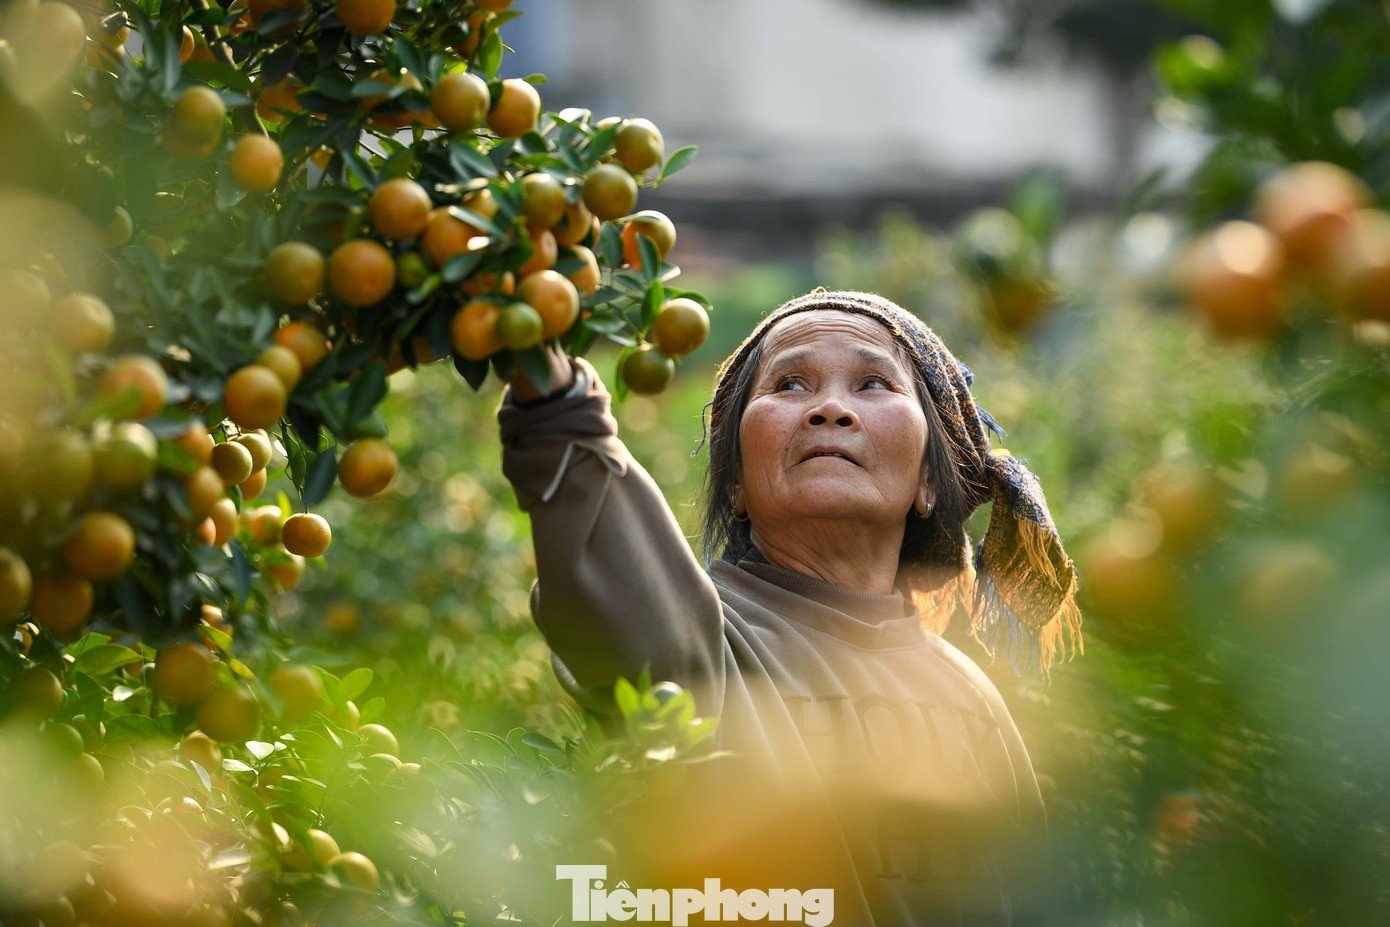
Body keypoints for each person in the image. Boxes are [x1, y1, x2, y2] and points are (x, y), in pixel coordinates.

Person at [496, 289, 1084, 926]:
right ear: (736, 483)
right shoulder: (706, 640)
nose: (830, 409)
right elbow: (618, 578)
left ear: (928, 483)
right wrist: (551, 397)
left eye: (874, 382)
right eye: (791, 383)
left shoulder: (974, 700)